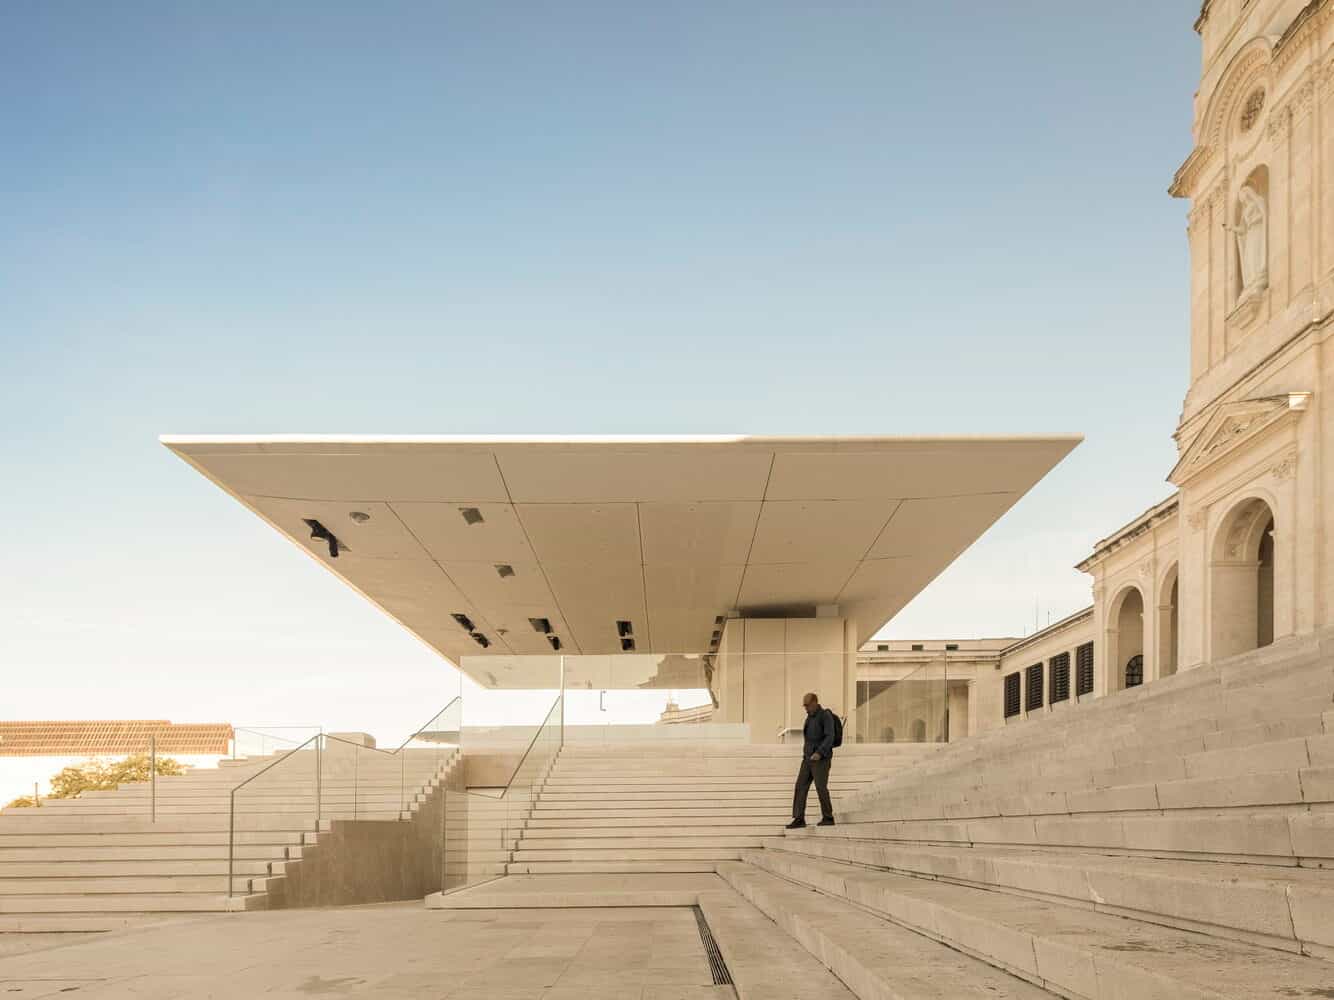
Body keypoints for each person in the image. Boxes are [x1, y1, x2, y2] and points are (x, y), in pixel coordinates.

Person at [786, 692, 836, 829]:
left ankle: (828, 817)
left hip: (820, 759)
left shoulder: (825, 715)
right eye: (805, 706)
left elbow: (830, 736)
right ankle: (799, 818)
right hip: (808, 759)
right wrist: (806, 755)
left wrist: (820, 752)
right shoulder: (809, 718)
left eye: (807, 705)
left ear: (815, 702)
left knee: (821, 787)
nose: (806, 708)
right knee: (800, 786)